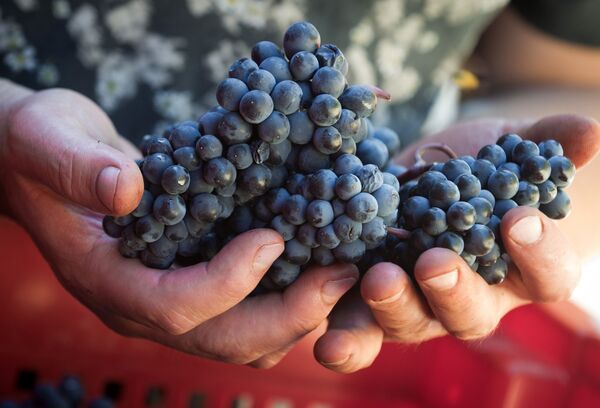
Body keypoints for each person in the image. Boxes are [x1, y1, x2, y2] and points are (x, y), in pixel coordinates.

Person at [1, 0, 599, 372]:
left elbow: (556, 74)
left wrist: (530, 234)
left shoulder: (347, 178)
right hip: (49, 146)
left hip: (349, 188)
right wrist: (7, 132)